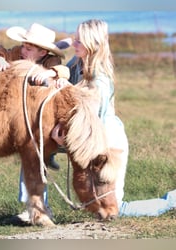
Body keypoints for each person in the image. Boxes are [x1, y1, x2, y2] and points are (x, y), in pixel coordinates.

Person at [32, 19, 176, 217]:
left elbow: (92, 125)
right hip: (89, 140)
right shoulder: (76, 64)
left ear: (92, 45)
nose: (74, 44)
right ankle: (38, 210)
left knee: (117, 209)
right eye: (75, 39)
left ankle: (172, 201)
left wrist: (63, 142)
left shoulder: (99, 80)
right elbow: (61, 65)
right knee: (34, 149)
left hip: (106, 142)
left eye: (79, 41)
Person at [0, 23, 71, 222]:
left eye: (29, 48)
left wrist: (51, 74)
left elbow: (63, 71)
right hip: (20, 113)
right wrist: (0, 59)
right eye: (23, 46)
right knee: (32, 157)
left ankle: (37, 206)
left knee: (36, 157)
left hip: (42, 117)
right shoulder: (17, 53)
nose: (23, 51)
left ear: (42, 52)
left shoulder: (51, 61)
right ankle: (33, 206)